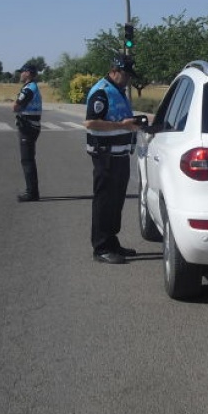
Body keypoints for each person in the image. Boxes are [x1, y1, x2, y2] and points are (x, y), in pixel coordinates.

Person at [83, 53, 144, 265]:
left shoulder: (117, 91)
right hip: (105, 155)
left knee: (115, 202)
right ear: (114, 70)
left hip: (119, 155)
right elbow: (91, 122)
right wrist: (123, 126)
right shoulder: (102, 91)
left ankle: (112, 241)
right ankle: (101, 248)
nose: (128, 79)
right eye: (126, 74)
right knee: (104, 202)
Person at [13, 63, 44, 202]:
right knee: (29, 159)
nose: (20, 74)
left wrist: (16, 107)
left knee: (27, 160)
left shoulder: (28, 89)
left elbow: (16, 106)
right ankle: (32, 191)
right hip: (32, 126)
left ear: (28, 73)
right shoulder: (32, 87)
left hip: (28, 127)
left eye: (22, 72)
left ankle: (31, 192)